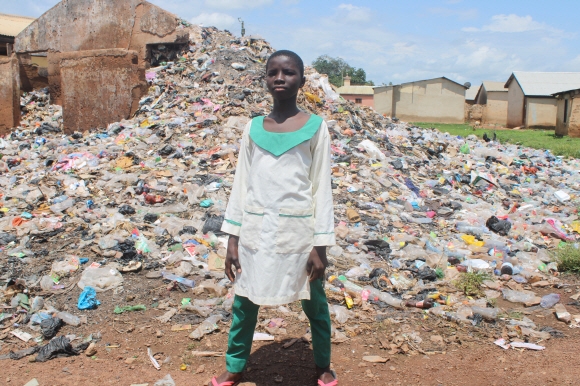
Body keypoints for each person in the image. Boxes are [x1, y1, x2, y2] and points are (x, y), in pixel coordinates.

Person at [209, 50, 337, 386]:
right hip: (256, 230)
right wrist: (232, 239)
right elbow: (241, 184)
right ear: (265, 79)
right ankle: (235, 365)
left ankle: (322, 363)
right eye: (273, 73)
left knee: (314, 301)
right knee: (245, 301)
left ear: (301, 81)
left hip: (299, 233)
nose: (280, 78)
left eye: (289, 72)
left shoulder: (315, 127)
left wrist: (320, 245)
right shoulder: (253, 128)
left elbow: (320, 186)